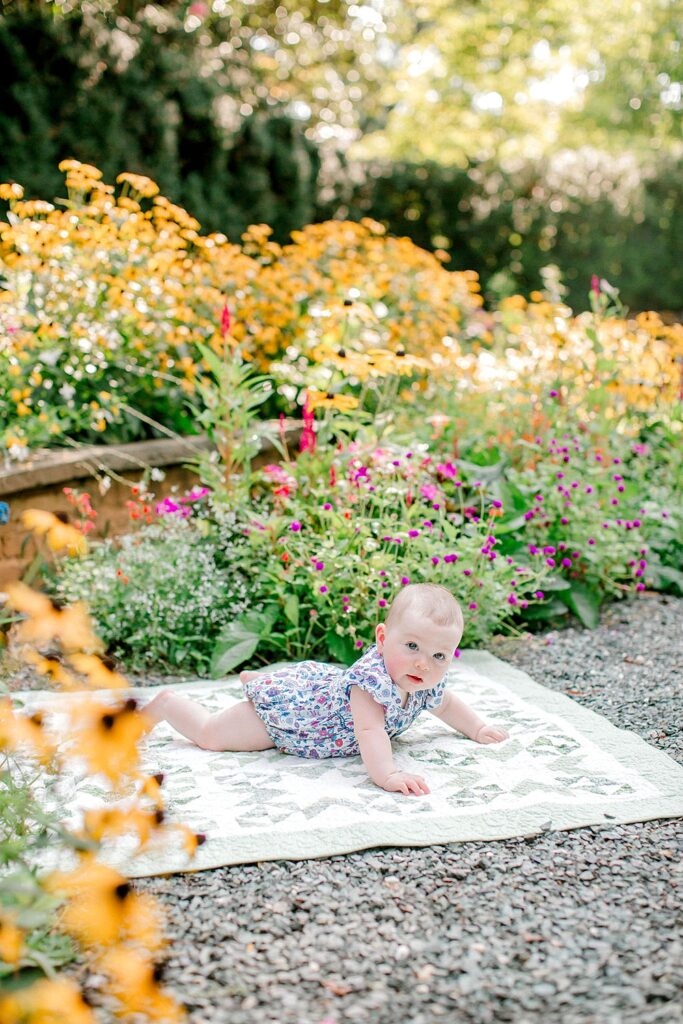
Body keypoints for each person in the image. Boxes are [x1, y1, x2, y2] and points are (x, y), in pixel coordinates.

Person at [143, 583, 509, 796]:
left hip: (321, 695)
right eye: (411, 646)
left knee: (311, 683)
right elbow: (370, 731)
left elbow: (446, 706)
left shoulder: (424, 680)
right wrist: (388, 775)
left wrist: (476, 728)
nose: (423, 663)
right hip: (296, 719)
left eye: (439, 655)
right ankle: (166, 705)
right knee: (212, 735)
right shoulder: (370, 684)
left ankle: (261, 679)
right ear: (382, 638)